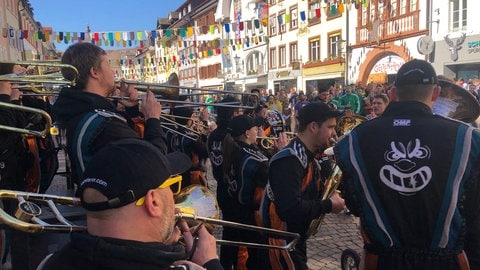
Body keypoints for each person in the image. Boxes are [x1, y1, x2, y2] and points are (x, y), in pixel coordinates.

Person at [334, 59, 480, 269]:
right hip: (445, 262)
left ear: (392, 94)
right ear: (436, 93)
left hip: (383, 261)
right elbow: (473, 215)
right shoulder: (469, 138)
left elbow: (356, 206)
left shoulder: (352, 140)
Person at [38, 138, 223, 270]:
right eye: (172, 187)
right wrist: (211, 263)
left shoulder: (48, 263)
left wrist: (155, 246)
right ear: (153, 202)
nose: (175, 203)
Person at [52, 42, 166, 186]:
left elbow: (131, 147)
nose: (113, 72)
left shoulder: (81, 110)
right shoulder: (103, 123)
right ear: (95, 72)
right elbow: (156, 163)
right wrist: (153, 119)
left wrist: (130, 110)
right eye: (108, 65)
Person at [261, 102, 346, 270]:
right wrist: (328, 205)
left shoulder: (306, 156)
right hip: (283, 244)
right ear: (313, 127)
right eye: (330, 127)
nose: (334, 133)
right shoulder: (290, 160)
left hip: (293, 240)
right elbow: (290, 209)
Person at [222, 115, 275, 270]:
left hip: (235, 209)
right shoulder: (257, 161)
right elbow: (271, 185)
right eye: (255, 129)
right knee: (257, 258)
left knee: (239, 252)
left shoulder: (232, 148)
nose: (258, 131)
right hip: (252, 216)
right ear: (247, 133)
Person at [0, 63, 35, 269]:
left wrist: (15, 100)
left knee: (20, 226)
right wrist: (6, 99)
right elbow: (4, 135)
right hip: (6, 170)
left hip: (14, 169)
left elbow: (18, 131)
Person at [206, 96, 244, 269]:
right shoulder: (233, 137)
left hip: (221, 187)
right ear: (234, 112)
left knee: (229, 231)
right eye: (239, 111)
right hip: (233, 189)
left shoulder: (212, 135)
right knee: (237, 233)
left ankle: (226, 263)